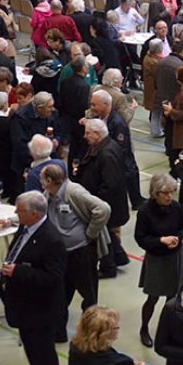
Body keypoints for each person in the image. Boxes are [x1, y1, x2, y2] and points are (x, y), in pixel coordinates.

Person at [0, 191, 66, 365]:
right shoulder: (28, 228)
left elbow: (53, 278)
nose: (16, 213)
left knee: (44, 354)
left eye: (19, 211)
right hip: (25, 306)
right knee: (32, 349)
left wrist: (18, 272)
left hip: (41, 309)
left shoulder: (52, 240)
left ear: (34, 214)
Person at [40, 164, 110, 343]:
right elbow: (38, 208)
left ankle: (92, 334)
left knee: (89, 296)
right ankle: (59, 334)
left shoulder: (74, 192)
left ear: (49, 181)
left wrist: (90, 234)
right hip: (62, 255)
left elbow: (103, 209)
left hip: (82, 254)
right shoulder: (50, 194)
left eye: (42, 179)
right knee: (60, 295)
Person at [133, 174, 183, 346]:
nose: (169, 197)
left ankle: (168, 328)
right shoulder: (145, 212)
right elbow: (140, 237)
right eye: (165, 193)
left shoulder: (176, 207)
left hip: (175, 258)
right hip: (157, 260)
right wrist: (160, 241)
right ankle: (144, 328)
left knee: (173, 298)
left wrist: (177, 238)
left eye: (172, 192)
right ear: (155, 193)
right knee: (153, 297)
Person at [76, 119, 130, 278]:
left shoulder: (106, 154)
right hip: (108, 203)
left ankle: (108, 267)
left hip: (106, 204)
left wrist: (96, 204)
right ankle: (120, 256)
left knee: (103, 235)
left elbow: (109, 184)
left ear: (97, 134)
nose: (85, 136)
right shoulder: (107, 147)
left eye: (88, 133)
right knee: (108, 233)